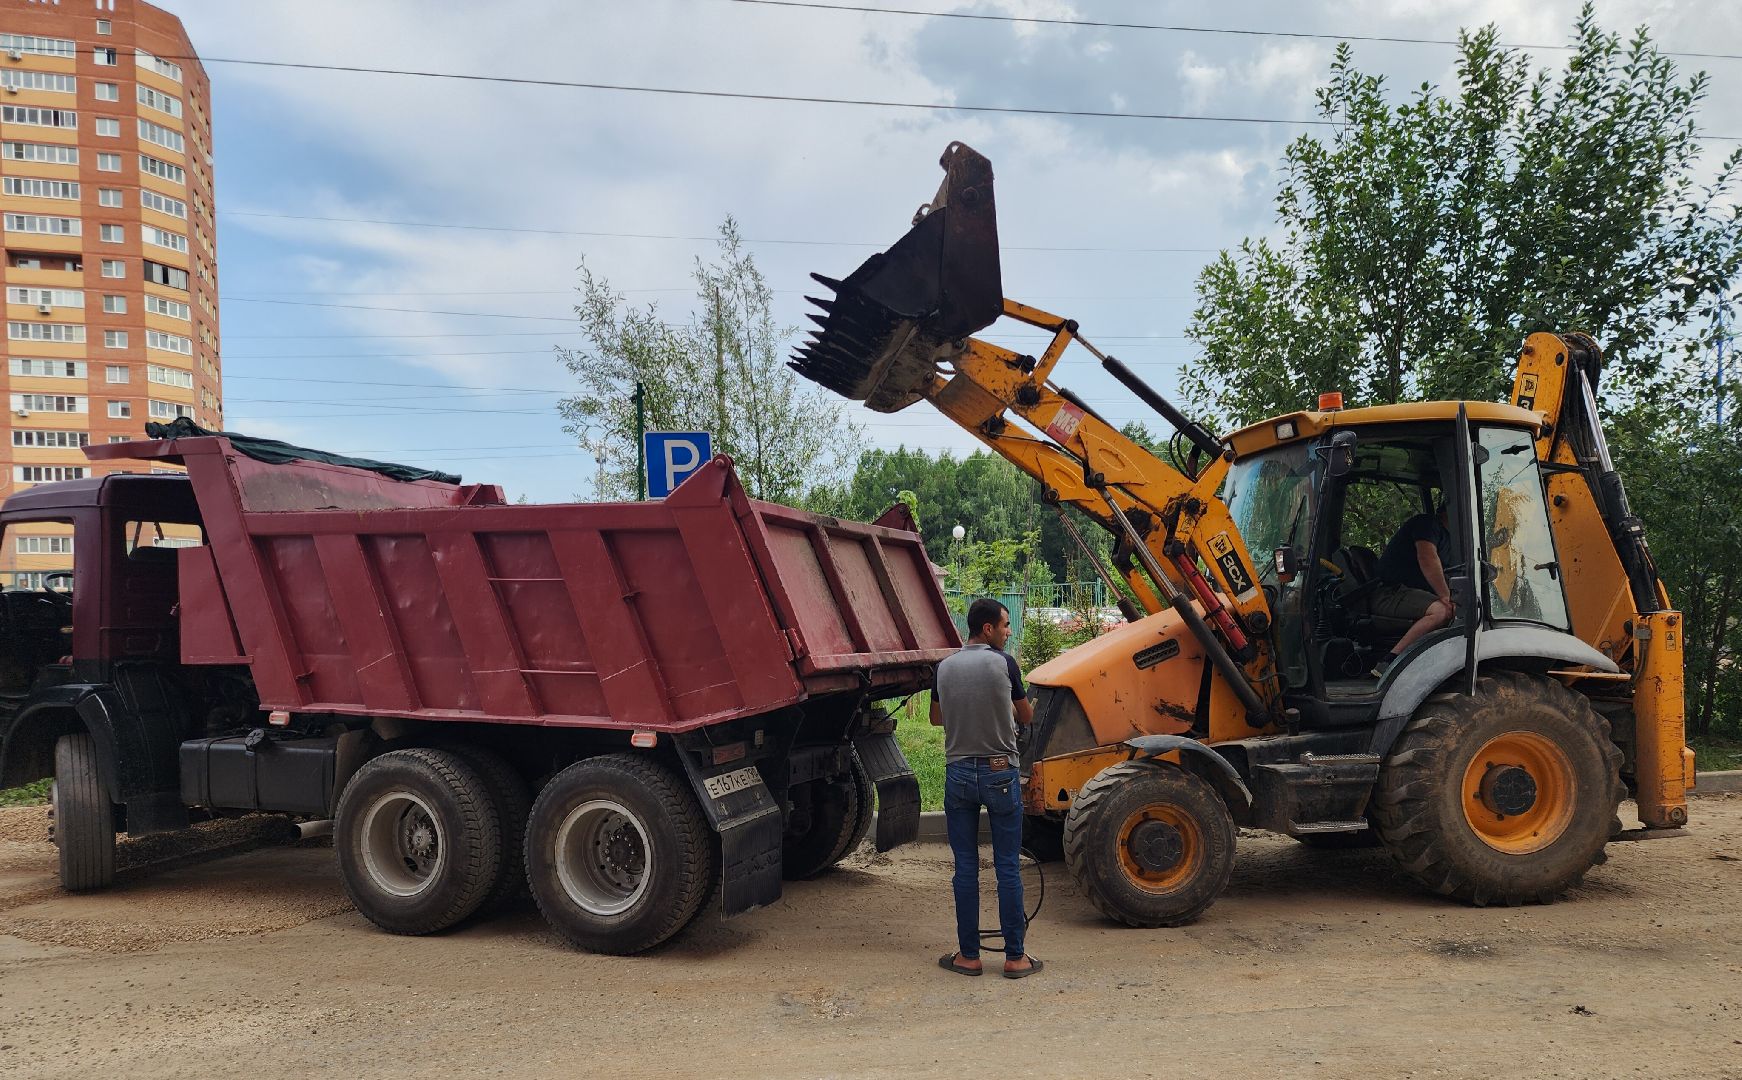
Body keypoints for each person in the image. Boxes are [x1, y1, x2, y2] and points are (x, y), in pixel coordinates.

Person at [930, 598, 1042, 979]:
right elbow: (1026, 715)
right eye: (1006, 625)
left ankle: (969, 956)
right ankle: (1015, 958)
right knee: (1007, 865)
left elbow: (935, 718)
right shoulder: (1004, 664)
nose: (1009, 632)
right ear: (988, 629)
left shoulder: (943, 667)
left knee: (965, 866)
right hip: (999, 773)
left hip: (958, 772)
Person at [1369, 501, 1456, 678]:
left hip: (1409, 593)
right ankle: (1389, 662)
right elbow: (1427, 557)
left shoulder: (1451, 539)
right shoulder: (1427, 524)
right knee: (1442, 611)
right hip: (1389, 592)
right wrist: (1446, 596)